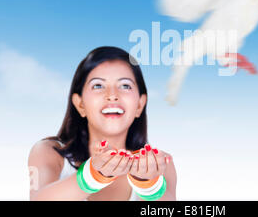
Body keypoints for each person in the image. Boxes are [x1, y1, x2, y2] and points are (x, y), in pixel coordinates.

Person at [28, 46, 177, 200]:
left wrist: (148, 185)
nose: (112, 95)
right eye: (98, 85)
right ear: (80, 104)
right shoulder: (49, 152)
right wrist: (92, 176)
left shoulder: (161, 163)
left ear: (140, 104)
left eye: (125, 85)